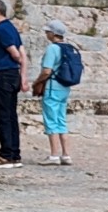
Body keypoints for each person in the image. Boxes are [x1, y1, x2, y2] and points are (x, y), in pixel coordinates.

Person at [0, 0, 25, 166]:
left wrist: (15, 60)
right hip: (13, 74)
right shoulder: (11, 27)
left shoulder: (1, 29)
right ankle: (14, 153)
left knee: (4, 116)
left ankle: (6, 154)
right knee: (10, 115)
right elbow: (23, 52)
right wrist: (23, 75)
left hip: (4, 74)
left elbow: (16, 53)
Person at [34, 18, 79, 167]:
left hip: (53, 87)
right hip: (64, 88)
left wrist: (37, 82)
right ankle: (66, 154)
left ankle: (53, 155)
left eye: (48, 32)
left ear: (53, 34)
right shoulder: (69, 48)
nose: (46, 34)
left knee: (51, 120)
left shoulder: (53, 49)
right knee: (61, 119)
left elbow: (47, 71)